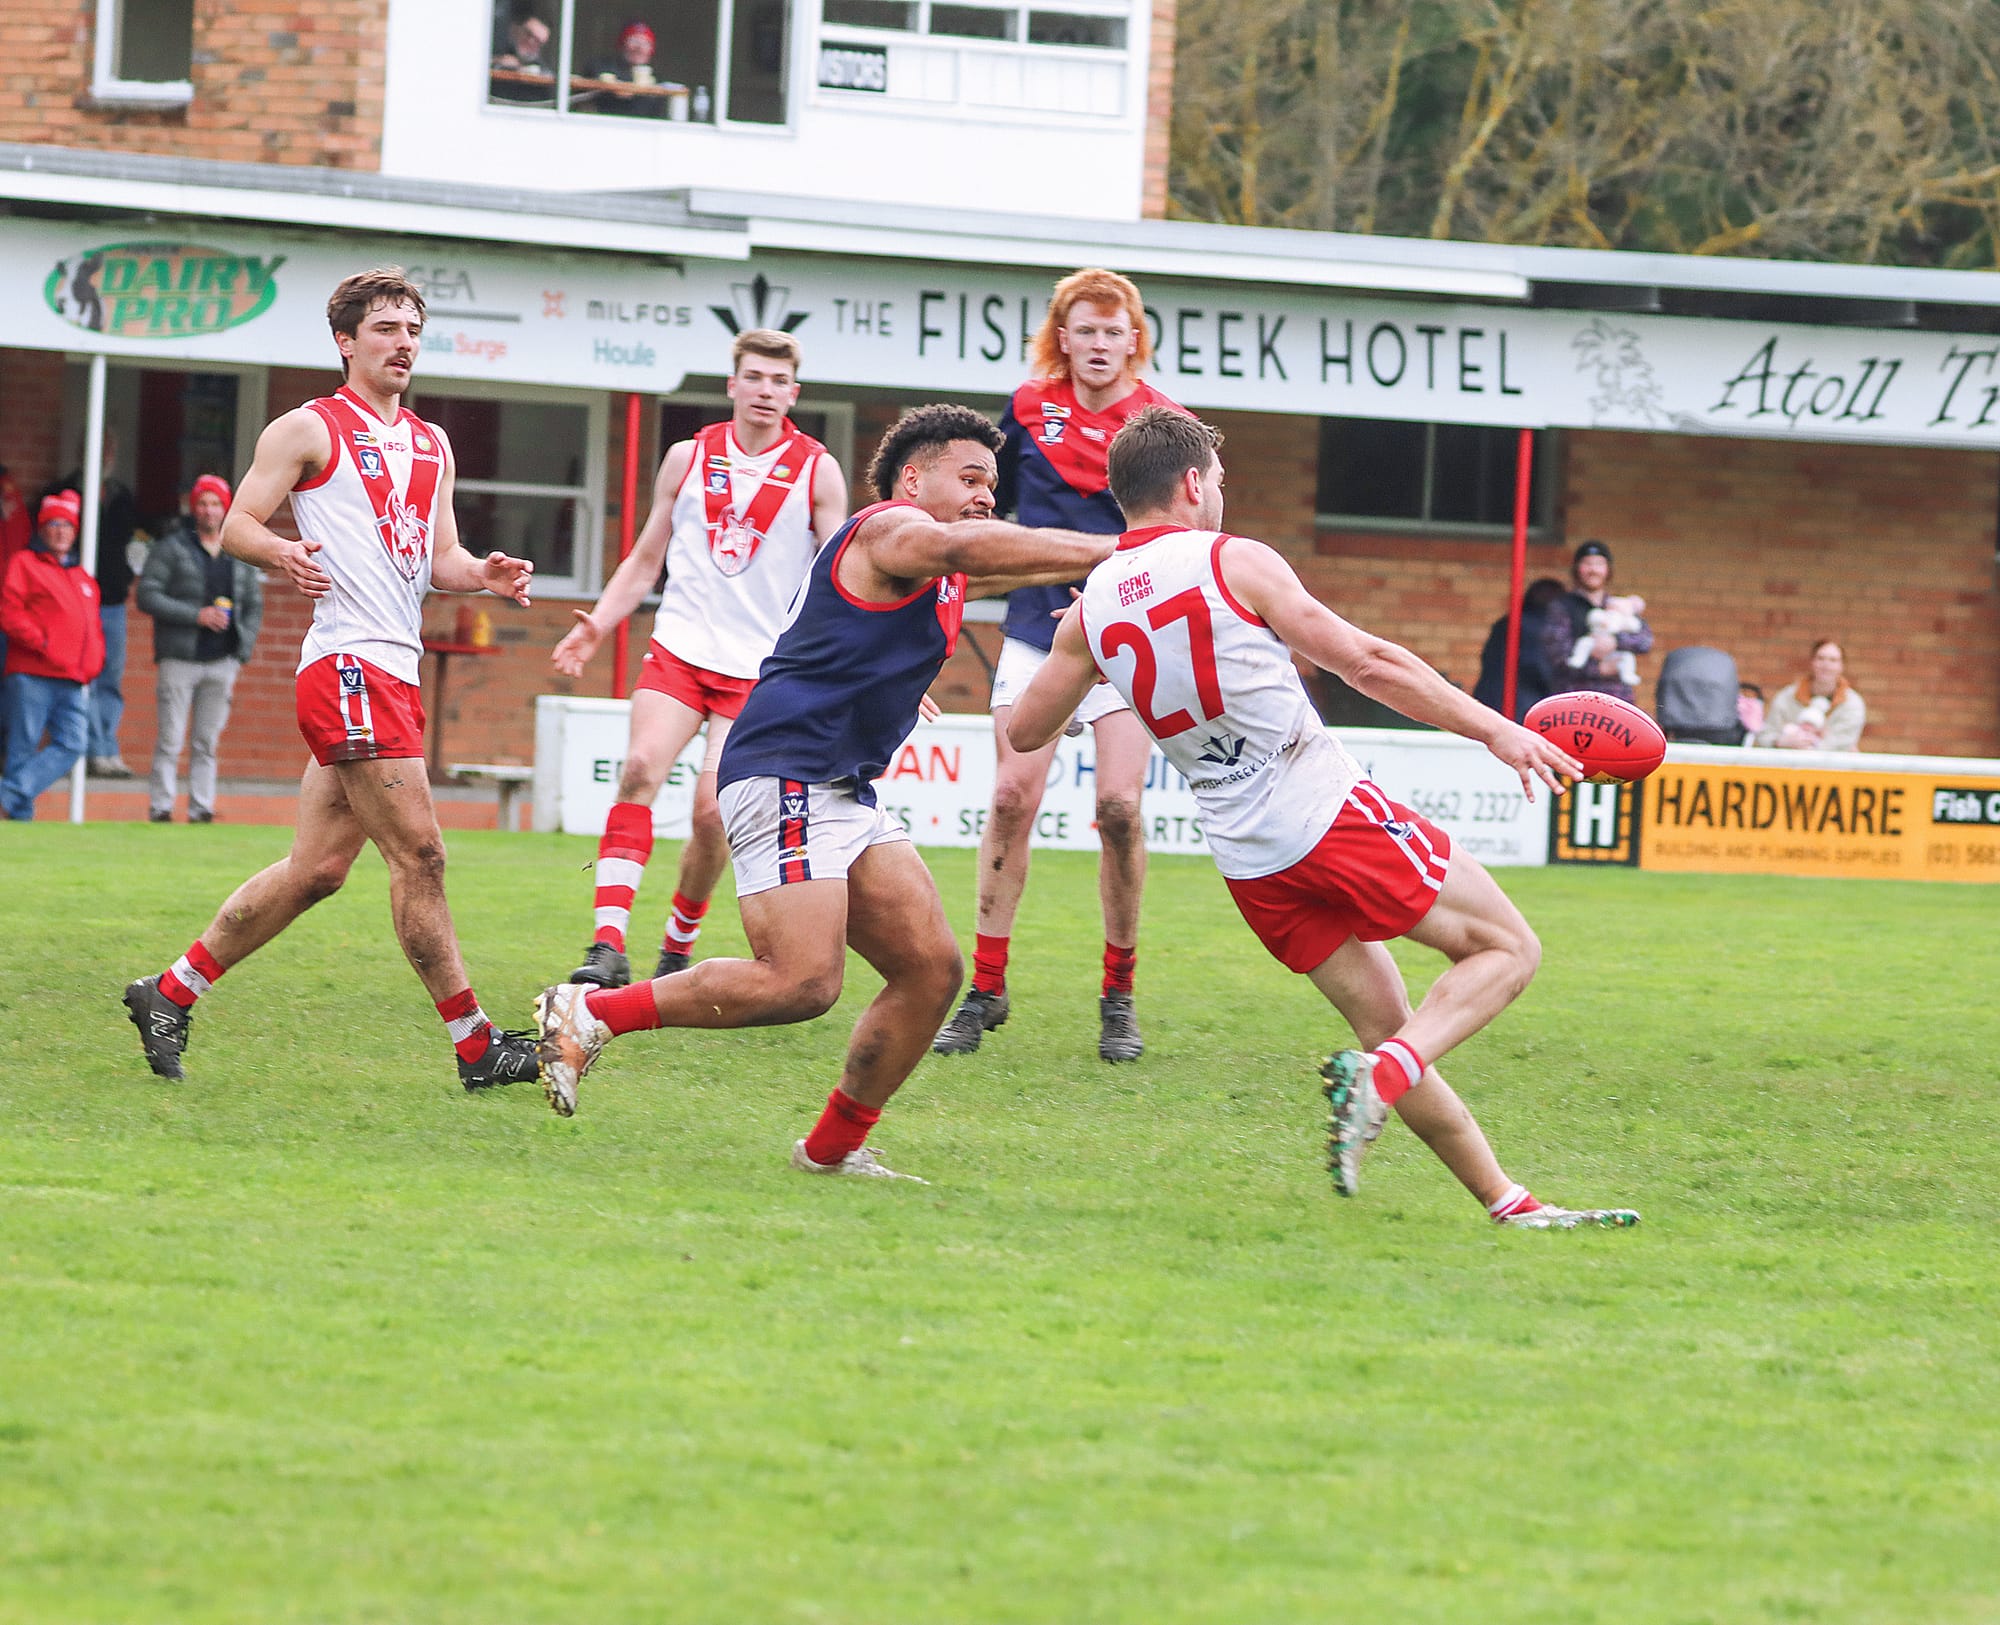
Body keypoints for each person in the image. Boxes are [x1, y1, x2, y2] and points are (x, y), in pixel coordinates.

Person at [1008, 408, 1640, 1229]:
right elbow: (1366, 660)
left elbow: (1025, 730)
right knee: (1507, 949)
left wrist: (1100, 652)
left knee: (1391, 1027)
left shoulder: (1089, 610)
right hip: (1318, 807)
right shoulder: (1235, 559)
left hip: (1246, 858)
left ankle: (1507, 1202)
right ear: (1193, 483)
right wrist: (1498, 728)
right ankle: (1382, 1077)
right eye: (1220, 482)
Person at [533, 404, 1115, 1181]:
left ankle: (832, 1150)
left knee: (932, 970)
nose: (984, 495)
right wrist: (1128, 543)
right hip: (787, 771)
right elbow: (968, 546)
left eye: (992, 484)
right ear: (914, 478)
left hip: (843, 789)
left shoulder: (942, 563)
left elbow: (1003, 560)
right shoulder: (889, 528)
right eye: (969, 477)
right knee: (801, 981)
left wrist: (1114, 580)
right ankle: (591, 1012)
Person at [122, 266, 542, 1095]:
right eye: (386, 328)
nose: (404, 342)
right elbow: (240, 522)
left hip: (392, 664)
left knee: (316, 870)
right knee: (420, 853)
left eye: (413, 328)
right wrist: (281, 552)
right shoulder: (307, 428)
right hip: (347, 664)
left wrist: (482, 574)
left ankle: (167, 992)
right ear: (346, 341)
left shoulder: (432, 442)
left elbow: (439, 558)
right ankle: (475, 1043)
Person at [934, 268, 1184, 1066]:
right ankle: (987, 987)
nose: (1100, 344)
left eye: (1115, 331)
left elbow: (1192, 523)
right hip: (1037, 633)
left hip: (1127, 632)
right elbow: (986, 502)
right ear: (1063, 336)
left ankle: (1118, 994)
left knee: (1118, 807)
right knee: (1010, 796)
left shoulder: (1165, 422)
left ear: (1133, 339)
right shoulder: (1027, 405)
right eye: (1086, 330)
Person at [552, 329, 847, 991]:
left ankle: (677, 943)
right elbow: (646, 557)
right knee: (637, 770)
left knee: (711, 812)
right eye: (755, 378)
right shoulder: (688, 457)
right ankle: (606, 946)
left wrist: (883, 652)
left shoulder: (815, 469)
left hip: (760, 668)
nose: (766, 391)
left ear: (793, 393)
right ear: (732, 384)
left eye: (779, 382)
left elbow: (844, 576)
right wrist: (597, 625)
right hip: (682, 648)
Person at [136, 474, 266, 823]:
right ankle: (161, 806)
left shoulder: (236, 552)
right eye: (203, 503)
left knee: (206, 741)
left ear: (226, 508)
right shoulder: (172, 547)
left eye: (216, 503)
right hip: (179, 657)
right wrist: (196, 615)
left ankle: (201, 807)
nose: (210, 511)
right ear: (194, 508)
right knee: (170, 738)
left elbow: (254, 603)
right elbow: (147, 595)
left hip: (222, 659)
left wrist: (243, 648)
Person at [1, 491, 104, 820]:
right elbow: (10, 611)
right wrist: (42, 642)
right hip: (32, 672)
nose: (61, 531)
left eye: (67, 526)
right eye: (53, 525)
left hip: (72, 677)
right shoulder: (25, 563)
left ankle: (7, 796)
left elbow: (92, 628)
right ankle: (18, 820)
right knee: (22, 747)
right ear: (42, 530)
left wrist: (92, 663)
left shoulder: (83, 577)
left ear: (75, 532)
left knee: (73, 743)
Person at [45, 431, 141, 778]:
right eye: (94, 448)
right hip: (71, 602)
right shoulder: (62, 492)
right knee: (75, 675)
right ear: (80, 451)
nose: (102, 455)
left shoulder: (121, 496)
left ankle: (103, 749)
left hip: (112, 601)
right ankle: (78, 748)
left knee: (109, 676)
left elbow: (135, 539)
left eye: (108, 449)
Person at [1544, 539, 1652, 704]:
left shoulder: (1618, 605)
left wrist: (1615, 642)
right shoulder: (1562, 607)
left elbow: (1645, 641)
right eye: (1587, 564)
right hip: (1575, 698)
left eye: (1599, 564)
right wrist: (1599, 669)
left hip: (1616, 699)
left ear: (1608, 570)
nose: (1593, 570)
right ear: (1577, 569)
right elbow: (1557, 654)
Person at [1471, 576, 1565, 721]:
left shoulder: (1508, 621)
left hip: (1489, 696)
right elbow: (1536, 666)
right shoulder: (1540, 627)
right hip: (1520, 701)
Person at [1755, 639, 1866, 751]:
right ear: (1812, 662)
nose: (1826, 665)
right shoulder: (1788, 696)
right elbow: (1766, 735)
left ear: (1842, 666)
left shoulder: (1852, 703)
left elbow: (1844, 742)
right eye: (1820, 658)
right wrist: (1781, 742)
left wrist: (1811, 745)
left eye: (1833, 660)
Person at [582, 21, 668, 117]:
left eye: (645, 43)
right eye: (634, 41)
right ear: (622, 44)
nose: (639, 48)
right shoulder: (603, 66)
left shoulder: (656, 78)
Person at [489, 3, 556, 104]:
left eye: (539, 42)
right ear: (515, 29)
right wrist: (498, 61)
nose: (532, 43)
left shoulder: (539, 65)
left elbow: (550, 79)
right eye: (528, 34)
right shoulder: (495, 44)